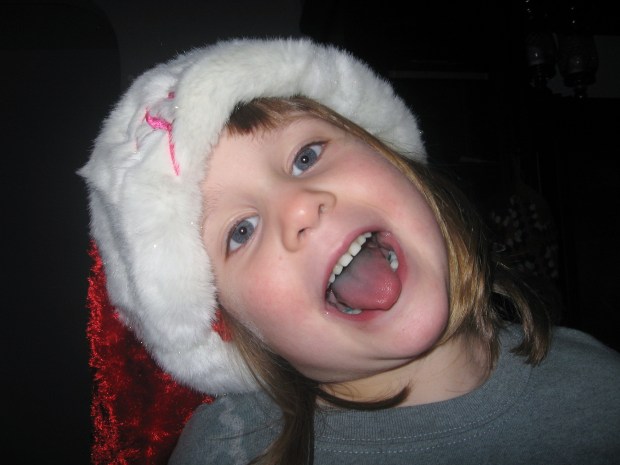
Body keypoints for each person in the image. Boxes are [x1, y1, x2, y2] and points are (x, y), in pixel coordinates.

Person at [79, 38, 620, 465]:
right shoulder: (226, 451)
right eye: (240, 231)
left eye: (307, 155)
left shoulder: (601, 388)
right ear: (235, 330)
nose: (298, 207)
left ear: (399, 164)